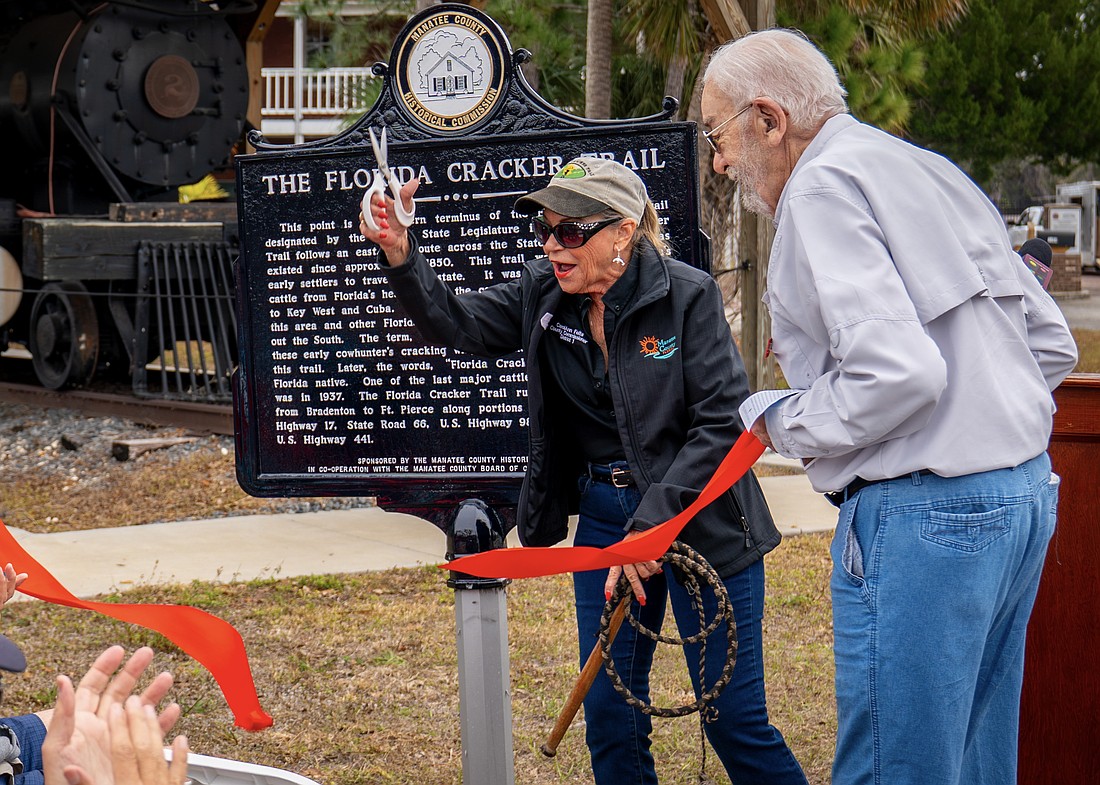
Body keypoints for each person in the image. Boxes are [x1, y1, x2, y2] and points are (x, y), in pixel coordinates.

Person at [700, 29, 1078, 785]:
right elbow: (1050, 342)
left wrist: (780, 419)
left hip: (924, 516)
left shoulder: (820, 189)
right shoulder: (926, 168)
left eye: (718, 135)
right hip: (1021, 493)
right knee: (975, 764)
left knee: (895, 770)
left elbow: (898, 374)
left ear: (769, 119)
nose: (720, 162)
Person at [359, 156, 807, 784]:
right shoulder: (544, 294)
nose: (552, 245)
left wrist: (653, 526)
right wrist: (401, 254)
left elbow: (720, 424)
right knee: (609, 716)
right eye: (547, 229)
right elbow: (453, 324)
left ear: (623, 232)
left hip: (703, 521)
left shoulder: (687, 295)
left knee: (731, 719)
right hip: (604, 518)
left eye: (571, 231)